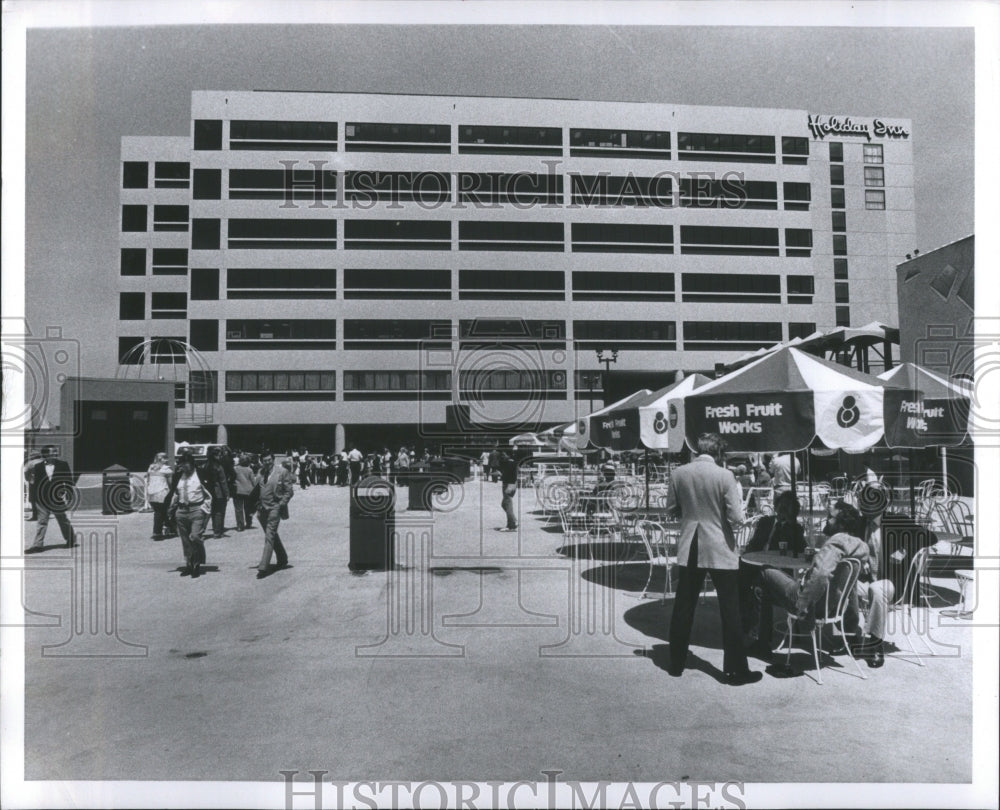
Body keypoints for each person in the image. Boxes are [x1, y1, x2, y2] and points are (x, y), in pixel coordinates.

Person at [665, 433, 759, 685]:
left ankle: (675, 663)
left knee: (684, 605)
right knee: (730, 609)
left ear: (698, 450)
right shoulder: (725, 475)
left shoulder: (678, 473)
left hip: (690, 544)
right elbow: (736, 517)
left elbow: (671, 508)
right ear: (718, 453)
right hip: (718, 545)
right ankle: (735, 670)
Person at [755, 500, 872, 663]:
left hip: (810, 604)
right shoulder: (861, 547)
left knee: (765, 571)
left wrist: (802, 604)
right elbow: (847, 587)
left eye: (830, 517)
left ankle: (762, 643)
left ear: (840, 523)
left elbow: (821, 574)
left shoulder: (836, 542)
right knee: (782, 579)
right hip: (834, 607)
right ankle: (851, 637)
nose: (827, 520)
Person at [853, 483, 939, 667]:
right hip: (866, 580)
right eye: (863, 503)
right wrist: (861, 560)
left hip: (894, 583)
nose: (865, 507)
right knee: (843, 584)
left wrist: (904, 550)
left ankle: (875, 644)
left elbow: (931, 537)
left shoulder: (897, 521)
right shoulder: (858, 524)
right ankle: (851, 633)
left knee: (878, 589)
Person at [740, 490, 807, 645]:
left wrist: (789, 525)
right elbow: (753, 544)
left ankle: (757, 636)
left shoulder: (796, 528)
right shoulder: (766, 522)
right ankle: (745, 624)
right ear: (776, 507)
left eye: (787, 507)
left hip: (779, 572)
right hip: (757, 564)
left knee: (759, 589)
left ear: (793, 510)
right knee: (739, 578)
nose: (783, 509)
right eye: (781, 505)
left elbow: (802, 550)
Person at [165, 448, 212, 576]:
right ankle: (189, 564)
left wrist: (206, 508)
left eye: (186, 465)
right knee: (185, 540)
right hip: (181, 511)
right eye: (182, 465)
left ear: (192, 464)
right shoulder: (178, 476)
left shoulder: (201, 474)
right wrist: (169, 510)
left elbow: (210, 492)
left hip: (197, 510)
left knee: (195, 536)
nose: (184, 468)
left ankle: (197, 562)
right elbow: (174, 493)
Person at [25, 446, 76, 553]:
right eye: (53, 452)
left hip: (56, 498)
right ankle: (37, 545)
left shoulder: (62, 464)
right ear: (46, 454)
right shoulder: (38, 466)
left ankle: (71, 540)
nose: (55, 454)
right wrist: (33, 498)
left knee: (62, 520)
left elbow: (68, 480)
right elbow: (35, 483)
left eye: (55, 452)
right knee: (42, 521)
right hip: (41, 498)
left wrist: (68, 494)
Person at [256, 451, 294, 579]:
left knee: (269, 535)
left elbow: (289, 491)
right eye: (264, 460)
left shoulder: (282, 472)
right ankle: (282, 558)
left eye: (269, 460)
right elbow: (256, 489)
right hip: (262, 509)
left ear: (273, 459)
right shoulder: (260, 472)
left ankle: (263, 567)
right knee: (271, 534)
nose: (267, 462)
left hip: (275, 508)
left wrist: (281, 504)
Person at [203, 446, 232, 538]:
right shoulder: (219, 467)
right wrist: (227, 494)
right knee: (219, 512)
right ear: (215, 456)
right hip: (219, 492)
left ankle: (205, 530)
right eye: (219, 455)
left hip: (208, 492)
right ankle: (218, 532)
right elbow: (223, 481)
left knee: (211, 512)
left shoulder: (206, 465)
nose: (220, 457)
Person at [146, 452, 173, 540]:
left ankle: (171, 527)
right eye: (166, 458)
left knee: (161, 511)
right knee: (160, 512)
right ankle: (157, 532)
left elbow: (149, 480)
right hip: (162, 493)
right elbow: (170, 483)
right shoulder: (167, 469)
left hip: (151, 492)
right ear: (164, 459)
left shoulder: (151, 468)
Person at [232, 454, 257, 532]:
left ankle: (240, 525)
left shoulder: (235, 469)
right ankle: (249, 523)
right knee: (248, 508)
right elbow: (253, 481)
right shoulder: (249, 470)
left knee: (238, 509)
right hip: (248, 491)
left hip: (237, 491)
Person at [497, 450, 519, 532]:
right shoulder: (510, 463)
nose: (502, 456)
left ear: (508, 455)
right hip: (510, 484)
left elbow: (511, 476)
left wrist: (511, 485)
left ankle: (512, 524)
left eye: (504, 454)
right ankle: (512, 522)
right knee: (505, 504)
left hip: (509, 484)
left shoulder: (510, 464)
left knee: (507, 503)